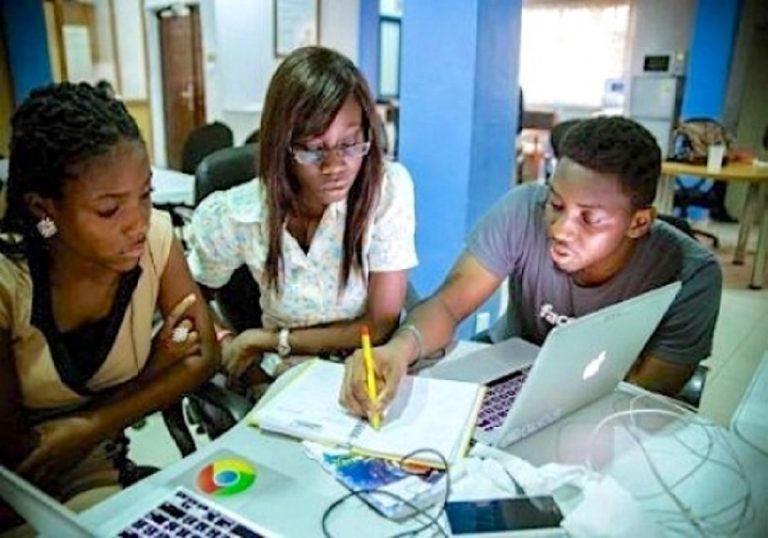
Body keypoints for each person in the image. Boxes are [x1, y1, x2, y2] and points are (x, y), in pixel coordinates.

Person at [341, 116, 722, 421]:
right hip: (505, 370)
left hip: (598, 408)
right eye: (556, 205)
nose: (560, 229)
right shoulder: (523, 209)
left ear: (639, 223)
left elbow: (643, 397)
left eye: (590, 219)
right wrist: (398, 348)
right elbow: (447, 305)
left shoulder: (692, 275)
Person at [0, 82, 218, 503]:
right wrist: (155, 369)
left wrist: (93, 425)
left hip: (99, 476)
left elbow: (203, 355)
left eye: (145, 195)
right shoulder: (10, 282)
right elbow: (21, 453)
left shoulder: (155, 238)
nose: (137, 222)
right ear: (44, 210)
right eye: (109, 209)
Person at [187, 46, 417, 383]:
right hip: (282, 382)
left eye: (351, 143)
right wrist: (225, 341)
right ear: (283, 145)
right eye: (313, 149)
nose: (336, 166)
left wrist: (270, 340)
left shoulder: (386, 191)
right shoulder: (241, 216)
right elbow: (189, 296)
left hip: (366, 369)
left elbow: (380, 324)